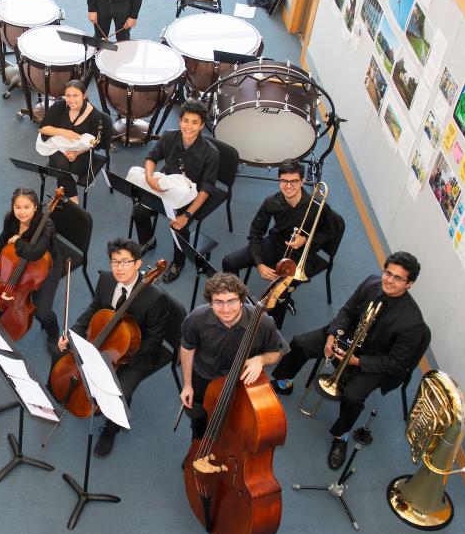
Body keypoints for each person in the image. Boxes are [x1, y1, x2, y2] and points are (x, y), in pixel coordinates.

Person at [271, 251, 429, 470]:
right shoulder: (371, 283)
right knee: (299, 342)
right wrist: (332, 334)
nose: (389, 280)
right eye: (388, 273)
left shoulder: (412, 323)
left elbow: (396, 363)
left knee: (354, 397)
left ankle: (341, 435)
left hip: (372, 360)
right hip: (345, 340)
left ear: (409, 284)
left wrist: (357, 362)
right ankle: (283, 381)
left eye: (397, 278)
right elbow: (347, 311)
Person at [58, 239, 170, 457]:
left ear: (138, 264)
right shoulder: (107, 280)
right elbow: (94, 310)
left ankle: (110, 430)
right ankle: (64, 392)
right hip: (102, 336)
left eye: (125, 262)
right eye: (114, 262)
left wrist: (121, 358)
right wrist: (71, 334)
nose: (119, 268)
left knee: (121, 392)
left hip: (135, 354)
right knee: (60, 351)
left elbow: (154, 340)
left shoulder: (156, 299)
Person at [219, 160, 335, 328]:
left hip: (301, 254)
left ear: (302, 181)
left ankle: (274, 332)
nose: (288, 186)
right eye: (284, 181)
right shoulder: (271, 202)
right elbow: (255, 232)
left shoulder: (316, 206)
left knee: (278, 297)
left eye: (294, 181)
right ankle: (236, 302)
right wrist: (259, 263)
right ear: (279, 181)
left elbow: (329, 233)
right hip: (275, 244)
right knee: (229, 261)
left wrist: (306, 240)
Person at [178, 274, 283, 442]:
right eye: (218, 302)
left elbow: (276, 352)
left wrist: (260, 360)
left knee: (237, 424)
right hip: (205, 377)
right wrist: (188, 385)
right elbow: (187, 347)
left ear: (241, 300)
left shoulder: (263, 323)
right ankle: (197, 447)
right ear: (210, 303)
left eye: (232, 301)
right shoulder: (197, 318)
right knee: (198, 420)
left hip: (240, 383)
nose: (225, 309)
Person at [130, 100, 219, 283]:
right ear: (179, 121)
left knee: (179, 227)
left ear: (202, 126)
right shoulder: (170, 137)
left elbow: (206, 188)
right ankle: (148, 240)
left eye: (195, 122)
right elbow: (151, 158)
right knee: (139, 211)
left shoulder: (211, 153)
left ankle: (179, 262)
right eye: (186, 120)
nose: (189, 126)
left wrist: (187, 214)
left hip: (191, 196)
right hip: (166, 186)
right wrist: (148, 177)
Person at [0, 188, 62, 348]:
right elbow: (3, 240)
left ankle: (53, 333)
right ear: (13, 207)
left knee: (42, 312)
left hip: (44, 267)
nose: (22, 212)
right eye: (18, 207)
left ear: (36, 207)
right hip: (13, 261)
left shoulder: (47, 225)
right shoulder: (11, 219)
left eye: (27, 207)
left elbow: (34, 253)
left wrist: (17, 241)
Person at [37, 80, 108, 203]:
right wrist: (64, 132)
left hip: (81, 151)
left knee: (69, 171)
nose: (71, 100)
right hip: (57, 146)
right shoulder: (59, 106)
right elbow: (42, 129)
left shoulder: (95, 115)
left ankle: (62, 200)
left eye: (75, 95)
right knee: (61, 167)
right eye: (68, 95)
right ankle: (74, 203)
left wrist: (77, 153)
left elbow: (96, 142)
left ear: (84, 96)